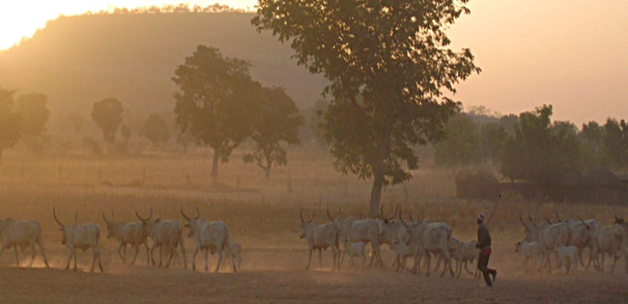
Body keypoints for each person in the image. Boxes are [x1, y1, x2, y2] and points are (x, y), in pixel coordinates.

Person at [476, 213, 497, 287]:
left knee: (480, 266)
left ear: (478, 219)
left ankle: (492, 273)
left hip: (484, 249)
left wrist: (478, 245)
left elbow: (483, 240)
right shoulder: (483, 227)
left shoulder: (481, 228)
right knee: (483, 267)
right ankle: (489, 283)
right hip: (487, 249)